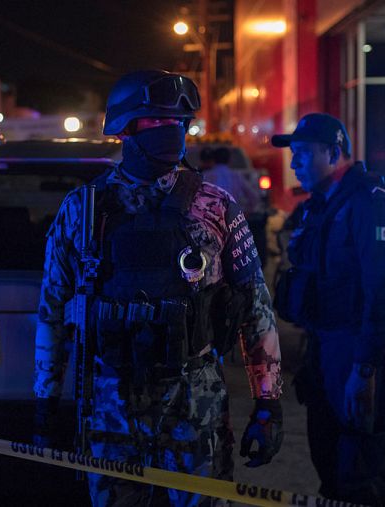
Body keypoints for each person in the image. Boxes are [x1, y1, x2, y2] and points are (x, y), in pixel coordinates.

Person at [34, 70, 283, 507]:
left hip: (195, 403)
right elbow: (53, 310)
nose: (174, 132)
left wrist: (268, 403)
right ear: (125, 127)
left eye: (182, 123)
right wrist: (45, 402)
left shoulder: (217, 207)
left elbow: (254, 307)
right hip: (110, 401)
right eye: (158, 121)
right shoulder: (84, 210)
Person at [271, 113, 385, 506]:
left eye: (302, 153)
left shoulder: (370, 205)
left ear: (333, 152)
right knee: (329, 468)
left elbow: (383, 291)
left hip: (358, 352)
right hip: (325, 348)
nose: (294, 163)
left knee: (360, 475)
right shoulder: (320, 206)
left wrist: (364, 368)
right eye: (293, 154)